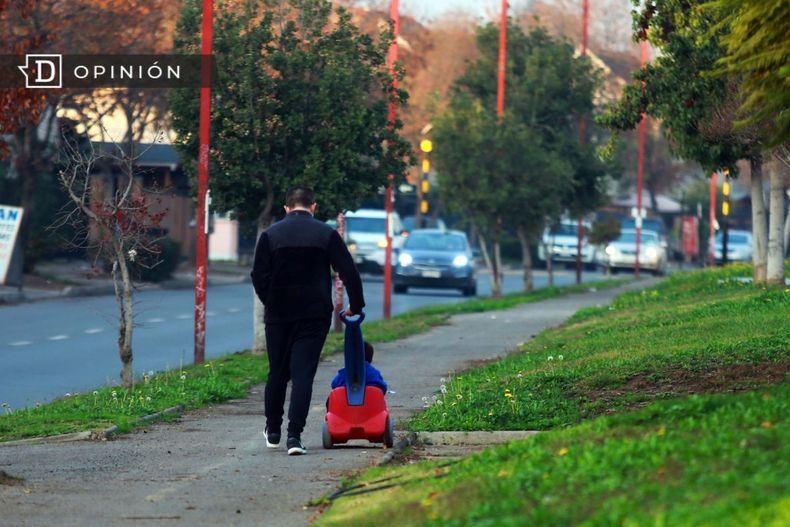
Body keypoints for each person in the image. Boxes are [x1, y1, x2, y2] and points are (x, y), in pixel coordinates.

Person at [251, 186, 365, 456]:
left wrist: (271, 300)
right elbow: (348, 271)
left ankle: (273, 429)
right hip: (314, 315)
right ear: (314, 206)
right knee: (303, 374)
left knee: (277, 371)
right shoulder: (326, 234)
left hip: (279, 315)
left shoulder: (270, 235)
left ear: (286, 208)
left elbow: (258, 275)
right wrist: (356, 306)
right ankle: (294, 437)